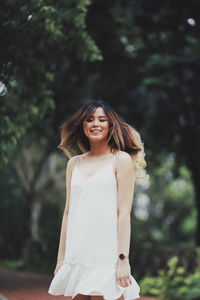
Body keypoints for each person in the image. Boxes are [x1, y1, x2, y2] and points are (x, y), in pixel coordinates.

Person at [48, 100, 148, 300]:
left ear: (111, 125)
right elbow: (68, 212)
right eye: (89, 120)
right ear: (82, 126)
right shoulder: (73, 164)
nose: (95, 124)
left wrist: (122, 259)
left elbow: (123, 213)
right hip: (78, 252)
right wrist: (61, 259)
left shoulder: (121, 160)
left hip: (106, 254)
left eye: (102, 120)